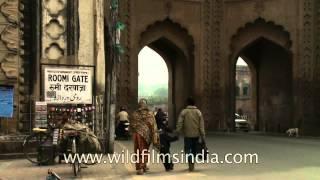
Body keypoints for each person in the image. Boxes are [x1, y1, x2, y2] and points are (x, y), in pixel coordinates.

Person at [131, 99, 160, 175]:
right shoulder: (150, 114)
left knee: (138, 151)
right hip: (146, 136)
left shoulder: (135, 114)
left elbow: (132, 125)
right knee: (144, 151)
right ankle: (141, 167)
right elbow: (154, 126)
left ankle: (141, 167)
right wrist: (155, 138)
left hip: (136, 135)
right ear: (146, 105)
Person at [176, 97, 205, 172]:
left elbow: (180, 122)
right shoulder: (198, 112)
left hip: (187, 135)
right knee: (194, 150)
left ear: (187, 103)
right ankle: (192, 164)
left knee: (188, 150)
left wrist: (178, 131)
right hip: (196, 135)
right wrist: (203, 136)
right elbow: (201, 125)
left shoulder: (184, 112)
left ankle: (190, 164)